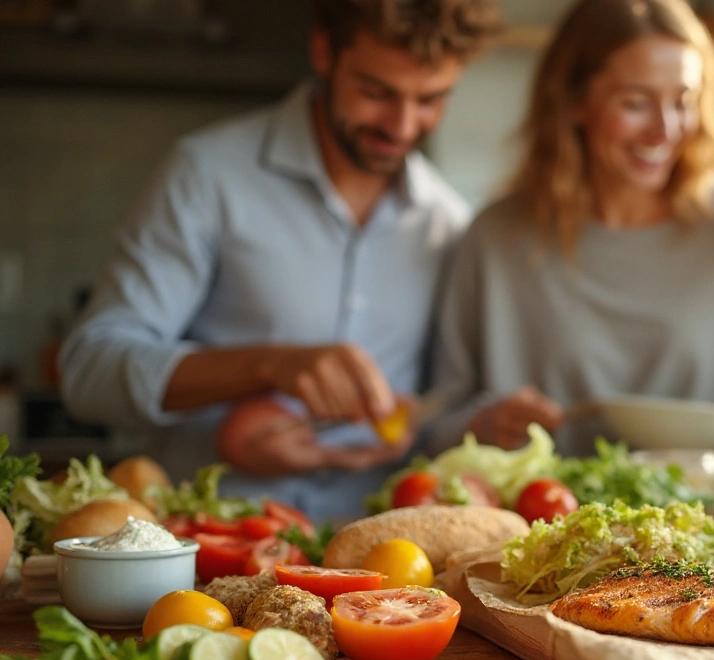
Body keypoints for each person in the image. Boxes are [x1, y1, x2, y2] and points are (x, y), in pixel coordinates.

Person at [58, 0, 503, 521]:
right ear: (323, 51)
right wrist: (268, 366)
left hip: (374, 564)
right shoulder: (207, 177)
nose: (403, 125)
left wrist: (440, 423)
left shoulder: (447, 221)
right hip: (207, 545)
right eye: (376, 92)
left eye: (431, 99)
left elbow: (437, 409)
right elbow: (89, 370)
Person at [428, 0, 714, 456]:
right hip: (547, 517)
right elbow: (432, 427)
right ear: (574, 102)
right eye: (635, 103)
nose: (665, 130)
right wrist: (488, 424)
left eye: (683, 101)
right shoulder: (496, 238)